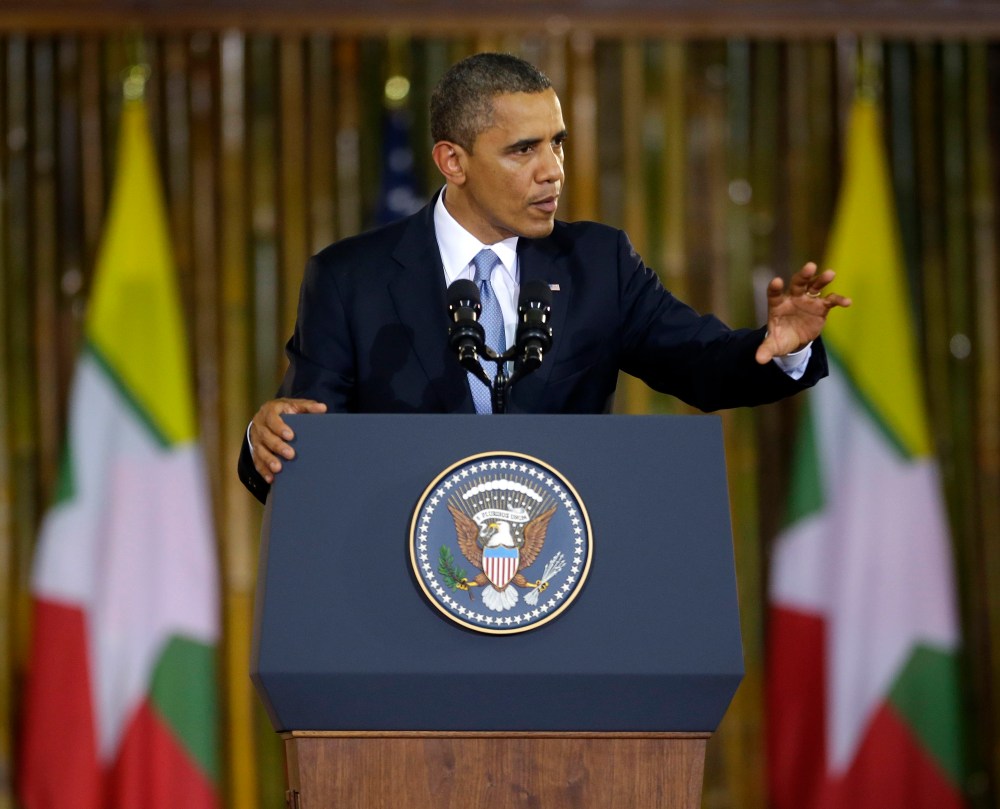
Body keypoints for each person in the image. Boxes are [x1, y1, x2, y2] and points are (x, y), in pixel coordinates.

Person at [238, 52, 850, 504]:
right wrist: (266, 439)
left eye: (557, 144)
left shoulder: (597, 263)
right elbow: (309, 436)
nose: (553, 171)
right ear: (454, 161)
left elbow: (701, 364)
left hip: (558, 574)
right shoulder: (351, 279)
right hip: (401, 582)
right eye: (523, 150)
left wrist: (780, 349)